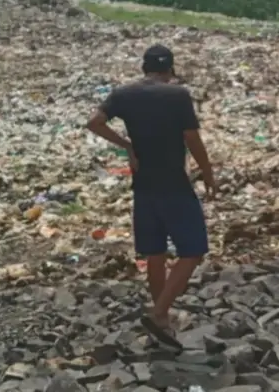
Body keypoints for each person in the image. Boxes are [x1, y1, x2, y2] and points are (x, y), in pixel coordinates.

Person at [86, 44, 215, 350]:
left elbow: (94, 122)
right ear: (169, 69)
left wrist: (127, 145)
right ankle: (158, 312)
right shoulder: (177, 95)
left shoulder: (123, 94)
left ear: (144, 68)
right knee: (193, 250)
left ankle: (162, 324)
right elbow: (191, 137)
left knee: (154, 255)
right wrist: (208, 171)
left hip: (143, 187)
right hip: (174, 184)